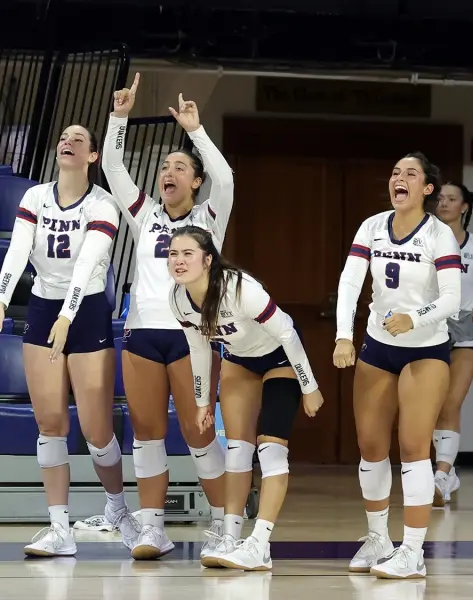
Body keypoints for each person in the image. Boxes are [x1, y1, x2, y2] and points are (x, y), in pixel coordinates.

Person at [102, 72, 232, 560]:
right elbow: (113, 169)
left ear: (195, 181)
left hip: (193, 336)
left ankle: (223, 525)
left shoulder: (210, 218)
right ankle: (153, 528)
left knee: (199, 435)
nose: (168, 172)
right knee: (146, 433)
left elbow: (228, 178)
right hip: (142, 336)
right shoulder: (145, 214)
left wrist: (195, 132)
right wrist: (119, 117)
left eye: (179, 166)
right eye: (164, 166)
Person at [0, 124, 140, 556]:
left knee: (96, 429)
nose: (67, 142)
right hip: (43, 308)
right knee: (50, 424)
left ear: (93, 156)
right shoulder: (34, 197)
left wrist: (69, 314)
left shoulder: (103, 204)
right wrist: (2, 298)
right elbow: (18, 251)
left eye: (79, 139)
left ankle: (116, 508)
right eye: (63, 137)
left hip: (87, 310)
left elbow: (88, 264)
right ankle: (60, 529)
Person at [333, 152, 461, 579]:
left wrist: (415, 317)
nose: (399, 179)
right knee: (371, 446)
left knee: (412, 446)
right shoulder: (372, 226)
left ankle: (413, 550)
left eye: (411, 174)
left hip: (426, 348)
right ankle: (377, 539)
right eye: (394, 173)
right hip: (378, 345)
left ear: (427, 189)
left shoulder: (440, 235)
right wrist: (343, 335)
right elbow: (350, 281)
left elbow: (452, 300)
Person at [167, 225, 324, 571]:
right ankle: (230, 536)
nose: (178, 261)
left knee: (271, 449)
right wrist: (203, 400)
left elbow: (287, 331)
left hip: (280, 357)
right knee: (238, 449)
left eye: (187, 253)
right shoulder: (179, 299)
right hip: (240, 362)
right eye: (173, 254)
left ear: (208, 260)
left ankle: (260, 544)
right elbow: (198, 349)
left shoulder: (239, 289)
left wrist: (309, 386)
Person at [432, 182, 473, 505]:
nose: (444, 203)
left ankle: (442, 474)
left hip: (465, 328)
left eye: (451, 199)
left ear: (464, 207)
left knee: (451, 404)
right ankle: (445, 472)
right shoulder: (428, 238)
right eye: (440, 198)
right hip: (432, 327)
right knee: (433, 405)